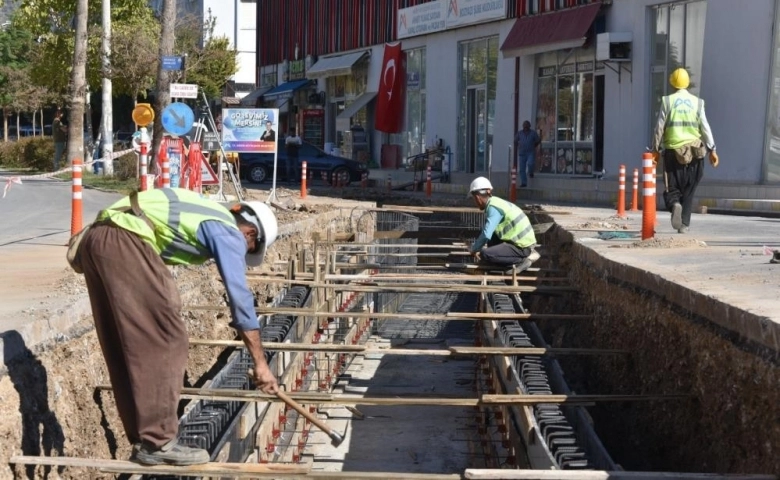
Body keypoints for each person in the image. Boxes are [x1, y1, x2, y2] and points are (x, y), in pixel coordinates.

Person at [70, 188, 280, 466]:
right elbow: (240, 297)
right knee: (168, 337)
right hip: (126, 240)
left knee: (125, 342)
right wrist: (260, 363)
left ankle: (144, 439)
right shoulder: (229, 231)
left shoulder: (207, 212)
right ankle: (158, 442)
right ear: (251, 234)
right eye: (249, 250)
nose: (243, 254)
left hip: (97, 239)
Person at [651, 67, 719, 234]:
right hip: (696, 153)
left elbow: (659, 127)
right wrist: (712, 150)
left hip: (673, 153)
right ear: (687, 83)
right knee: (689, 188)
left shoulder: (668, 101)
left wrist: (655, 149)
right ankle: (684, 225)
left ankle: (674, 204)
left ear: (672, 83)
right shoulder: (698, 102)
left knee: (671, 187)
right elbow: (705, 127)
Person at [468, 176, 540, 270]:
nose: (475, 202)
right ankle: (496, 260)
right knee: (492, 235)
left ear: (477, 197)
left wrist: (474, 249)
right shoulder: (496, 202)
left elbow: (486, 234)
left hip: (522, 247)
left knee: (485, 254)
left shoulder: (493, 208)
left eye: (474, 199)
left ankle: (524, 260)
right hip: (521, 243)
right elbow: (489, 232)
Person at [514, 120, 541, 187]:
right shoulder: (520, 133)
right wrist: (518, 146)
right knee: (522, 169)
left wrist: (534, 146)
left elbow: (538, 140)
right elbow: (515, 140)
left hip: (530, 152)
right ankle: (524, 183)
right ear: (523, 126)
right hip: (522, 153)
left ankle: (531, 172)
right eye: (524, 125)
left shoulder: (533, 133)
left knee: (530, 163)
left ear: (529, 126)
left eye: (527, 125)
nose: (525, 127)